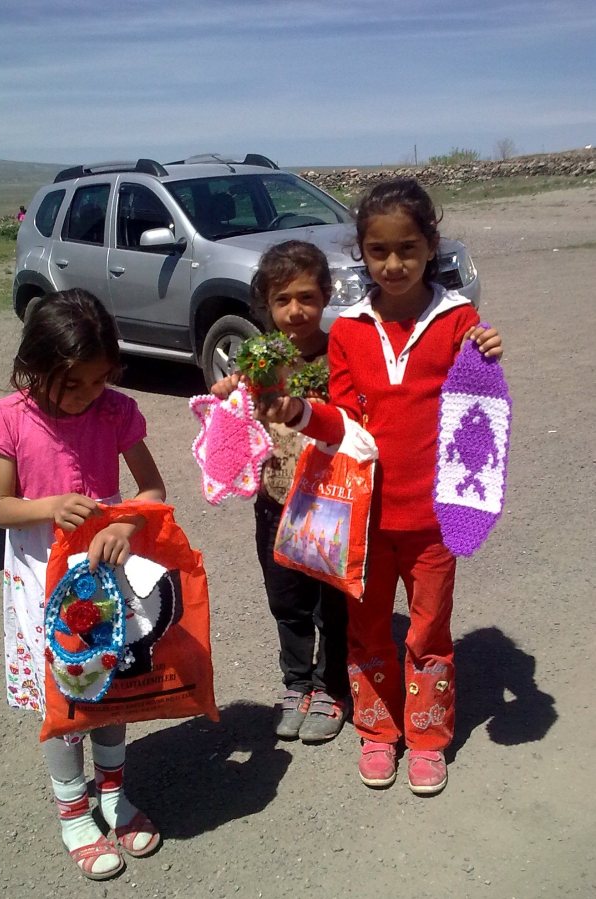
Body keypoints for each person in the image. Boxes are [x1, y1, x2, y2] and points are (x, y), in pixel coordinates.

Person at [260, 179, 503, 795]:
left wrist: (487, 347)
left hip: (435, 521)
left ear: (430, 247)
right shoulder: (349, 331)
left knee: (428, 632)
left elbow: (479, 413)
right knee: (368, 630)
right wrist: (301, 414)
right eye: (378, 251)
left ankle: (426, 738)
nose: (393, 264)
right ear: (362, 253)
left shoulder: (458, 321)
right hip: (364, 520)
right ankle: (376, 730)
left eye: (407, 249)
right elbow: (344, 423)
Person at [0, 288, 167, 880]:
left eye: (100, 379)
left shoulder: (115, 412)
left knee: (108, 682)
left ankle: (112, 793)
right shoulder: (6, 419)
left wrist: (126, 524)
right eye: (73, 384)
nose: (89, 394)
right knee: (64, 690)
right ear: (35, 367)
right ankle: (72, 810)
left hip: (105, 573)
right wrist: (50, 505)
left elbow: (152, 489)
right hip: (43, 577)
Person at [212, 241, 350, 743]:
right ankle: (297, 684)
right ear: (265, 306)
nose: (296, 310)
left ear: (326, 295)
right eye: (282, 300)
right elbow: (237, 415)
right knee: (287, 600)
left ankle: (331, 687)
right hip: (275, 501)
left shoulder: (341, 356)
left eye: (307, 297)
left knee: (331, 605)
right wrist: (230, 392)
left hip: (332, 503)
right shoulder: (259, 362)